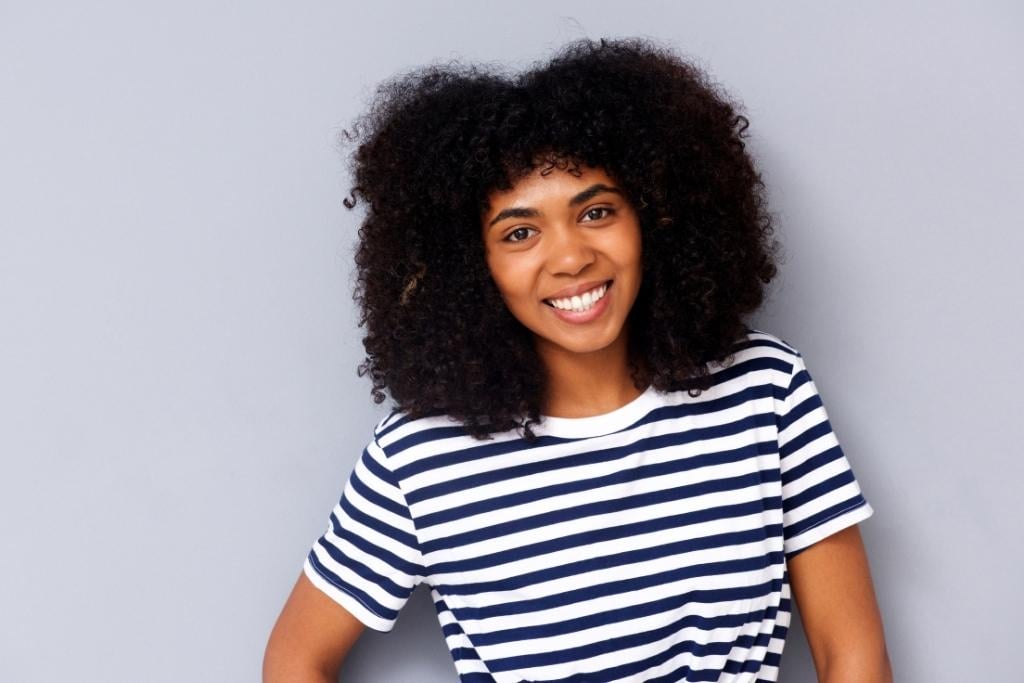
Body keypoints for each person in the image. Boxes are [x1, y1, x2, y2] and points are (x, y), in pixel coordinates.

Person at [263, 38, 892, 683]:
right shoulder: (420, 456)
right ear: (469, 268)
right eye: (519, 232)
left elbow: (852, 654)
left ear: (654, 218)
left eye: (596, 212)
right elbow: (294, 657)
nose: (570, 257)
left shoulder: (765, 390)